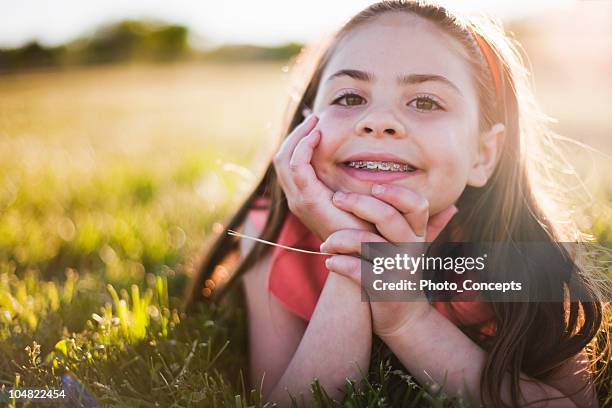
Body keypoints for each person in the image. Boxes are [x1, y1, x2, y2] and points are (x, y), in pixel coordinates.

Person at [185, 1, 608, 406]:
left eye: (425, 101)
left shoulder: (517, 248)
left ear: (483, 154)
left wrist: (407, 319)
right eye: (349, 98)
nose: (379, 120)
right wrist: (354, 248)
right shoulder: (269, 233)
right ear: (304, 128)